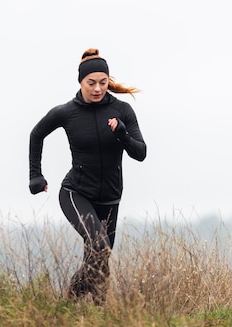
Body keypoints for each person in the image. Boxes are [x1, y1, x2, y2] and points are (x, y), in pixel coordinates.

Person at [28, 48, 147, 304]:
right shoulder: (66, 112)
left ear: (108, 80)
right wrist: (36, 176)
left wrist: (123, 135)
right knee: (100, 247)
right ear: (80, 82)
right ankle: (74, 299)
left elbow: (141, 153)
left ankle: (89, 310)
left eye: (103, 83)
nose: (97, 88)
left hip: (111, 198)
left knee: (99, 259)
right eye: (91, 83)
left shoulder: (122, 111)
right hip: (76, 193)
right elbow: (36, 134)